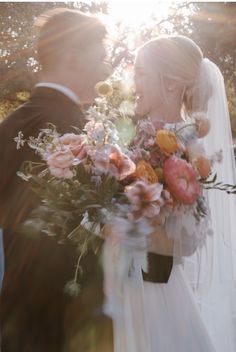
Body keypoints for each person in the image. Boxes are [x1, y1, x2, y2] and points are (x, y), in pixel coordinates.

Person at [103, 35, 236, 351]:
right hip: (119, 290)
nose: (134, 82)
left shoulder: (189, 148)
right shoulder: (129, 135)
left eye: (142, 74)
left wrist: (120, 228)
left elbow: (186, 243)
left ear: (172, 85)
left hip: (153, 297)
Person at [0, 8, 113, 352]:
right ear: (74, 58)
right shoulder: (80, 132)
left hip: (16, 316)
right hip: (68, 321)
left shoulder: (10, 125)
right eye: (101, 58)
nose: (106, 69)